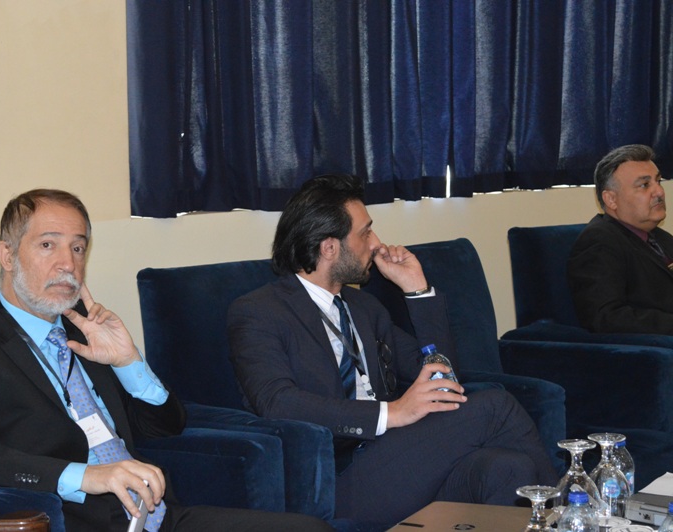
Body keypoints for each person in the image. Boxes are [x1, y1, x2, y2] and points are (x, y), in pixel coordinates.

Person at [0, 189, 332, 532]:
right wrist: (86, 476)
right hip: (73, 521)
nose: (68, 264)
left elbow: (165, 426)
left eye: (78, 247)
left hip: (158, 518)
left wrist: (128, 361)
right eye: (48, 245)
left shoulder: (84, 326)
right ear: (7, 256)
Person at [227, 174, 557, 530]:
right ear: (329, 247)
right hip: (333, 479)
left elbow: (443, 378)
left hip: (397, 463)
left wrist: (418, 290)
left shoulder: (364, 308)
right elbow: (277, 402)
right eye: (365, 233)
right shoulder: (259, 311)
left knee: (509, 468)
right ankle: (571, 516)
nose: (376, 243)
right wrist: (392, 412)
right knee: (494, 405)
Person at [567, 144, 673, 334]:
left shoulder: (661, 238)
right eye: (644, 185)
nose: (659, 192)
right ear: (611, 200)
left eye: (658, 181)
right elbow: (606, 318)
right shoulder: (599, 242)